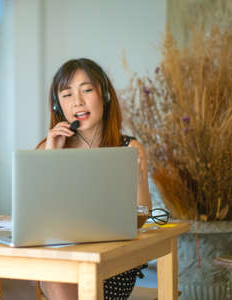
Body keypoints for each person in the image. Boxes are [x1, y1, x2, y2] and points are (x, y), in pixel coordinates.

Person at [37, 58, 152, 300]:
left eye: (87, 90)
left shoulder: (129, 148)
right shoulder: (46, 148)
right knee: (52, 276)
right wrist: (51, 159)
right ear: (58, 105)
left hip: (111, 261)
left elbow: (144, 215)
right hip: (62, 257)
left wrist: (137, 177)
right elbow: (36, 218)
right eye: (67, 94)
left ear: (105, 96)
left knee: (62, 281)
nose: (77, 101)